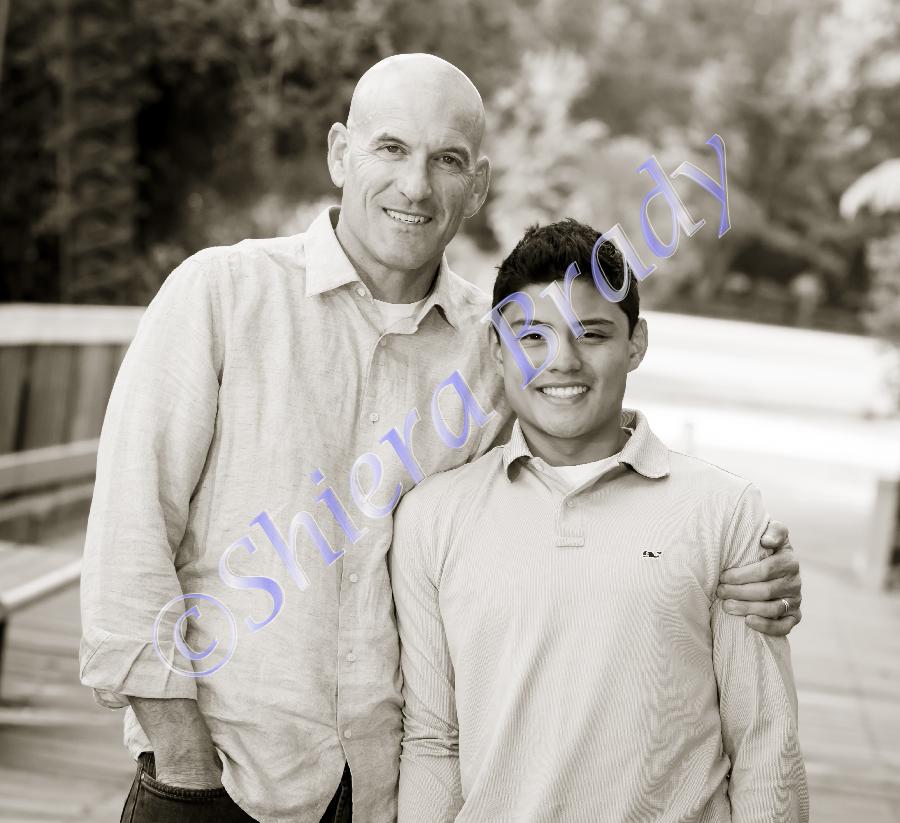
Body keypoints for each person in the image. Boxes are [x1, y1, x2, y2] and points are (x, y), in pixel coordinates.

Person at [79, 55, 802, 823]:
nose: (416, 186)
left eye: (446, 160)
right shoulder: (222, 295)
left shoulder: (491, 347)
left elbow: (569, 480)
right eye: (391, 148)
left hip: (382, 791)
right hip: (214, 778)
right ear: (340, 154)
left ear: (478, 184)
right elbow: (129, 537)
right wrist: (184, 761)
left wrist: (742, 564)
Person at [390, 219, 809, 822]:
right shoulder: (433, 517)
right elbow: (434, 740)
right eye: (531, 336)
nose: (562, 361)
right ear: (497, 349)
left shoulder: (724, 510)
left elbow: (765, 738)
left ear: (636, 343)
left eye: (591, 333)